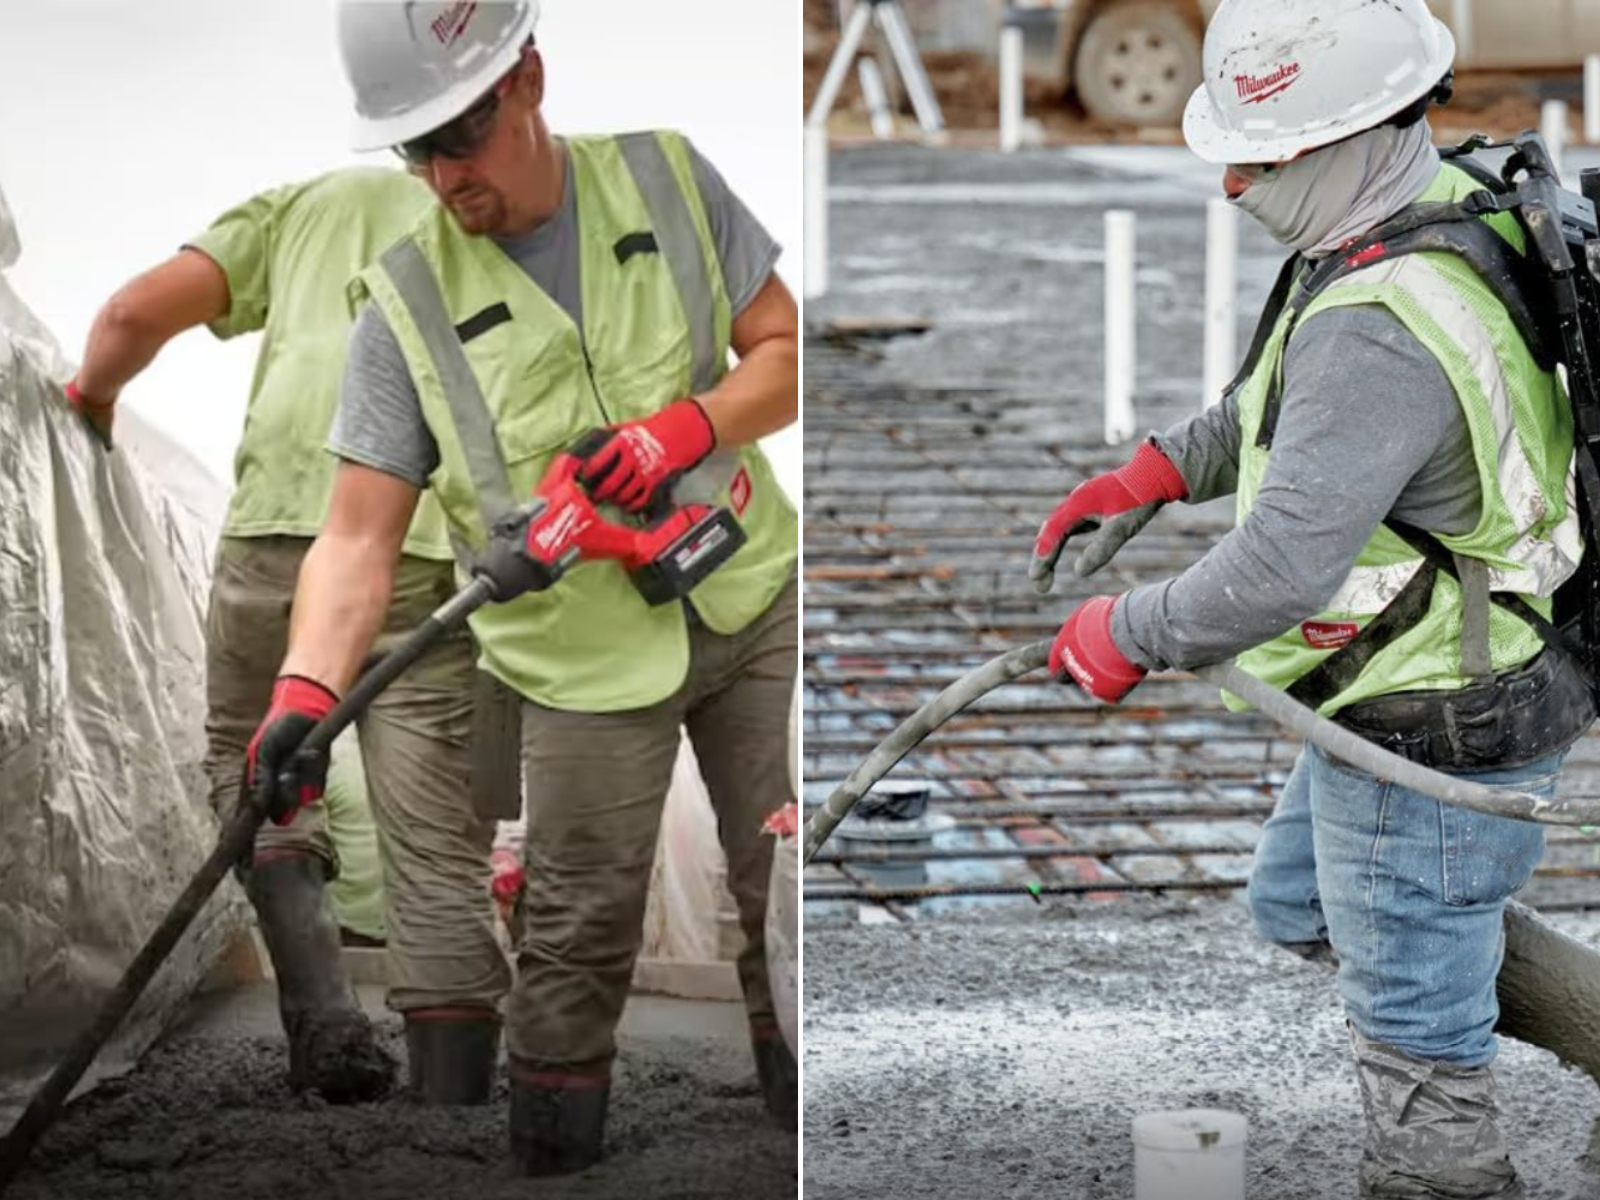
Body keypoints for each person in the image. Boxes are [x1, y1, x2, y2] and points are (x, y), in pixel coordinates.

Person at [1029, 1, 1592, 1196]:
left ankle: (1438, 1175)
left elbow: (1283, 567)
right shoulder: (1421, 217)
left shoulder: (1379, 321)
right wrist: (1162, 466)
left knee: (1412, 1028)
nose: (1231, 182)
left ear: (1347, 137)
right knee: (1303, 901)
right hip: (1446, 679)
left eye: (1257, 155)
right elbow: (1286, 415)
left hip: (1433, 713)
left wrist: (1122, 632)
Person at [246, 0, 801, 1175]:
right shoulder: (400, 303)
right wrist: (302, 693)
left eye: (462, 131)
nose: (445, 173)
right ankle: (555, 1154)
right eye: (416, 148)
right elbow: (356, 538)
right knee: (575, 926)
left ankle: (799, 1127)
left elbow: (783, 351)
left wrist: (681, 429)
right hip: (581, 662)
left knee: (785, 880)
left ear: (530, 80)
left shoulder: (666, 177)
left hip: (749, 597)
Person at [68, 167, 514, 1106]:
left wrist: (93, 406)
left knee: (259, 774)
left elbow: (129, 317)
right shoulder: (497, 211)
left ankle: (326, 1027)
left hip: (277, 533)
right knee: (434, 826)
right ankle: (456, 1082)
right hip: (422, 544)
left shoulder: (301, 208)